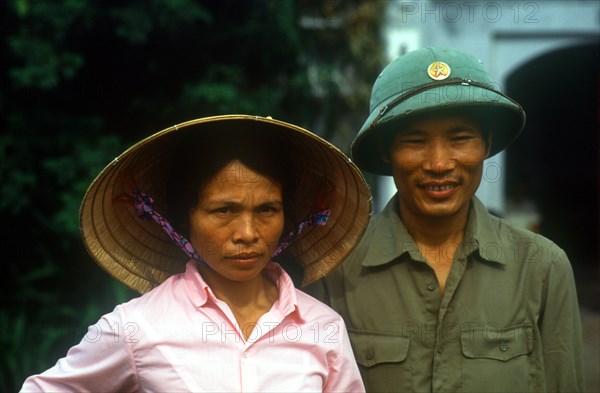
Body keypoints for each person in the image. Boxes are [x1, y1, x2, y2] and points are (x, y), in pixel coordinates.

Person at [21, 115, 371, 392]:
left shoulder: (323, 328)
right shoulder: (136, 327)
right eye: (223, 211)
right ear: (182, 218)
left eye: (267, 210)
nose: (248, 234)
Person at [320, 47, 584, 392]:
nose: (439, 163)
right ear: (386, 151)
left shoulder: (543, 267)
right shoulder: (335, 268)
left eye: (460, 139)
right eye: (415, 141)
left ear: (487, 145)